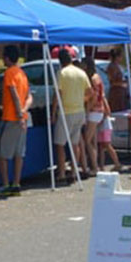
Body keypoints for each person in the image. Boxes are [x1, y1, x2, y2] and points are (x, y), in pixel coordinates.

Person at [0, 45, 32, 196]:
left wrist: (18, 113)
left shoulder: (9, 73)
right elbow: (30, 96)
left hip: (11, 118)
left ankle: (5, 185)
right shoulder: (22, 73)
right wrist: (24, 111)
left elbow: (14, 94)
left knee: (2, 154)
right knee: (19, 153)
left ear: (7, 58)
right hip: (22, 117)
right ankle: (16, 183)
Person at [53, 48, 91, 183]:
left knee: (60, 144)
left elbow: (57, 95)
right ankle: (74, 171)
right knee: (75, 144)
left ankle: (62, 173)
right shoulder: (81, 72)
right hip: (79, 111)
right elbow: (90, 92)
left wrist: (53, 113)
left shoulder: (61, 73)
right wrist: (81, 100)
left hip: (66, 112)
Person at [81, 55, 104, 177]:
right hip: (99, 111)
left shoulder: (93, 79)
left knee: (87, 140)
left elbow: (94, 96)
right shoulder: (98, 77)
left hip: (94, 111)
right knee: (93, 140)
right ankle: (97, 165)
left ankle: (94, 167)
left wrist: (87, 109)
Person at [106, 46, 128, 112]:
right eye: (121, 56)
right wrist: (122, 84)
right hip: (116, 93)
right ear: (117, 57)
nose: (122, 58)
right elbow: (112, 82)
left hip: (121, 93)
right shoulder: (112, 67)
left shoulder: (118, 66)